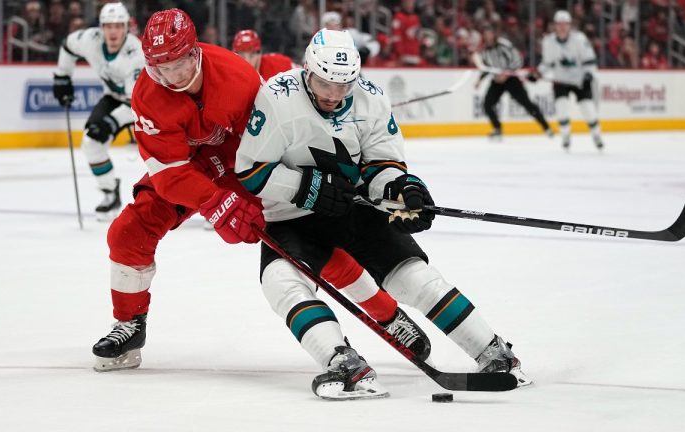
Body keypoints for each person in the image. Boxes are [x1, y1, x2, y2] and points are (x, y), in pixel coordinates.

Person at [235, 29, 531, 400]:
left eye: (343, 86)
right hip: (292, 217)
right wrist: (306, 188)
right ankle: (342, 362)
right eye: (325, 83)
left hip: (354, 209)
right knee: (280, 282)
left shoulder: (371, 97)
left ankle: (494, 352)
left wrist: (399, 190)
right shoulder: (278, 96)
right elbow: (251, 171)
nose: (333, 94)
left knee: (415, 277)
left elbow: (383, 163)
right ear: (307, 71)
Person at [234, 27, 432, 364]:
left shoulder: (279, 69)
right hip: (271, 191)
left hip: (320, 181)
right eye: (241, 52)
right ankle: (385, 319)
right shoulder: (239, 80)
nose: (247, 59)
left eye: (252, 52)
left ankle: (389, 317)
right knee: (324, 265)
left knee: (341, 261)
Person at [89, 8, 266, 371]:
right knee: (127, 233)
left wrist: (251, 193)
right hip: (187, 168)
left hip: (244, 164)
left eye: (178, 65)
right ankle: (129, 324)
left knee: (294, 225)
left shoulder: (239, 76)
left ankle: (374, 300)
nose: (171, 76)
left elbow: (269, 144)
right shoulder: (148, 94)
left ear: (194, 52)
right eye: (161, 68)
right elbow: (169, 173)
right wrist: (215, 202)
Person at [53, 2, 145, 220]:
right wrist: (62, 76)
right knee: (91, 141)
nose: (113, 31)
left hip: (144, 104)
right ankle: (109, 192)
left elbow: (136, 103)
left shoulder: (135, 55)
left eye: (118, 26)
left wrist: (111, 123)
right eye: (108, 26)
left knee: (165, 152)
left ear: (126, 27)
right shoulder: (89, 39)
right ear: (101, 28)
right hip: (114, 98)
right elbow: (67, 46)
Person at [529, 10, 604, 151]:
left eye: (565, 24)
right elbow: (547, 63)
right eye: (559, 24)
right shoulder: (549, 41)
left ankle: (596, 135)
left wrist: (589, 75)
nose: (562, 27)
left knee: (588, 109)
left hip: (579, 80)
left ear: (570, 25)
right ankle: (565, 136)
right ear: (555, 25)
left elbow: (590, 60)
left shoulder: (580, 39)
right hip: (560, 80)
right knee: (561, 107)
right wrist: (537, 74)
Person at [474, 24, 552, 141]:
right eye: (486, 34)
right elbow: (487, 68)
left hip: (511, 79)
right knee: (487, 104)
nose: (488, 36)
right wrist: (479, 80)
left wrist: (506, 73)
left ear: (494, 34)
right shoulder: (484, 50)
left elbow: (517, 60)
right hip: (497, 81)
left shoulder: (503, 45)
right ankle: (497, 129)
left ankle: (546, 127)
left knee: (526, 103)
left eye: (490, 33)